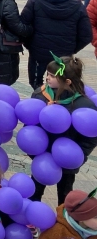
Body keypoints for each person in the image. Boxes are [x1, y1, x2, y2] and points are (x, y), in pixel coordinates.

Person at [31, 55, 97, 204]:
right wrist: (35, 152)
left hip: (68, 160)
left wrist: (79, 156)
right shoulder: (40, 95)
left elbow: (92, 136)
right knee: (35, 190)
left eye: (53, 76)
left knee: (66, 195)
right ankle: (30, 222)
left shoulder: (83, 105)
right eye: (48, 74)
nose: (47, 78)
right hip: (44, 157)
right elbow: (32, 127)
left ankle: (64, 223)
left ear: (67, 82)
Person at [21, 0, 92, 89]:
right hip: (63, 55)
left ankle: (40, 101)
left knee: (36, 84)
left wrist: (30, 45)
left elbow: (22, 26)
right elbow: (86, 35)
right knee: (61, 84)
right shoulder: (77, 5)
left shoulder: (35, 0)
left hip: (38, 52)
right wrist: (71, 49)